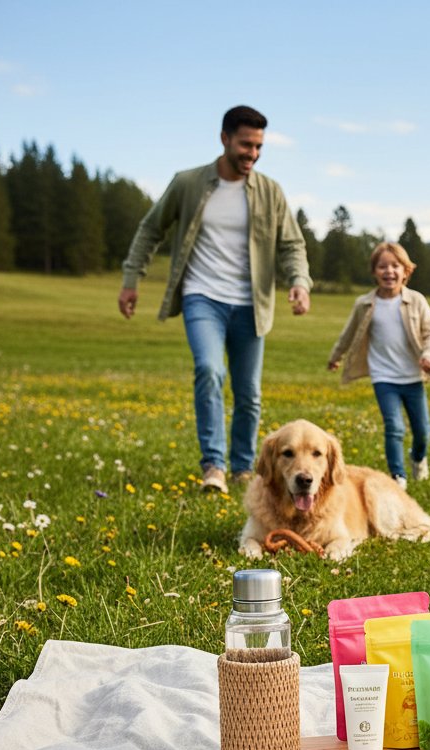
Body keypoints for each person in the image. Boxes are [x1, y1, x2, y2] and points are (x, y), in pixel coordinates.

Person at [118, 105, 312, 494]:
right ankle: (214, 467)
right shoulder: (188, 183)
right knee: (209, 370)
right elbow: (151, 228)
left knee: (249, 392)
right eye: (245, 145)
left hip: (251, 304)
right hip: (202, 296)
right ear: (224, 138)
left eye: (258, 147)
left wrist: (299, 281)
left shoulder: (270, 191)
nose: (252, 154)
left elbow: (291, 242)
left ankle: (243, 468)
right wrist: (131, 278)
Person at [327, 242, 430, 489]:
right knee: (394, 427)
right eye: (382, 266)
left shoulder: (416, 301)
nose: (389, 271)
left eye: (395, 266)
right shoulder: (365, 304)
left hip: (412, 376)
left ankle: (418, 458)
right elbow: (349, 334)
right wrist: (336, 356)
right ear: (374, 272)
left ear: (406, 271)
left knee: (423, 431)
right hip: (384, 377)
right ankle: (397, 477)